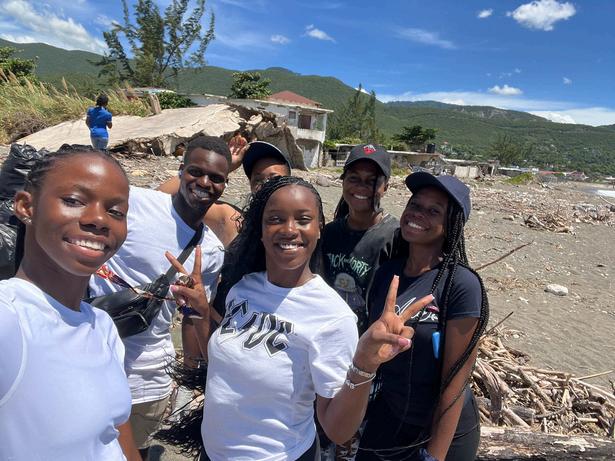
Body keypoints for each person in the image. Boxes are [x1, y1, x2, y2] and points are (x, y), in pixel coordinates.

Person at [163, 176, 435, 461]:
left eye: (303, 219)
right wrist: (201, 312)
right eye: (275, 219)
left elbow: (338, 430)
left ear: (319, 229)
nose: (289, 229)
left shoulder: (332, 316)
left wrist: (365, 364)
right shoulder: (243, 288)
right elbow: (223, 365)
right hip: (213, 453)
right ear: (261, 230)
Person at [88, 135, 230, 460]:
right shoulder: (136, 203)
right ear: (181, 170)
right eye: (196, 172)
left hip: (150, 378)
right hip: (92, 359)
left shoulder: (211, 251)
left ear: (224, 185)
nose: (204, 183)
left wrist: (199, 310)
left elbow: (192, 320)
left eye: (216, 178)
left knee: (133, 453)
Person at [0, 146, 140, 460]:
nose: (99, 220)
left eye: (115, 211)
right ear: (26, 207)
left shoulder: (100, 325)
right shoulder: (9, 319)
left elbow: (114, 433)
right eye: (74, 201)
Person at [356, 172, 489, 461]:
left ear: (451, 224)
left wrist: (433, 456)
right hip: (391, 413)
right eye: (415, 205)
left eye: (433, 211)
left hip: (442, 430)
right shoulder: (387, 273)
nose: (418, 214)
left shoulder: (461, 284)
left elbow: (455, 383)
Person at [322, 143, 399, 335]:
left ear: (386, 187)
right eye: (354, 178)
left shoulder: (395, 236)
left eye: (371, 181)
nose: (361, 187)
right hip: (329, 335)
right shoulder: (328, 233)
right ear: (343, 182)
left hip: (370, 339)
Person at [157, 140, 291, 247]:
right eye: (258, 180)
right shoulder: (234, 222)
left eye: (274, 178)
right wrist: (224, 166)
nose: (265, 184)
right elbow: (160, 197)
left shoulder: (298, 228)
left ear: (291, 184)